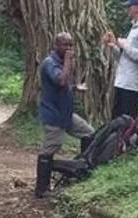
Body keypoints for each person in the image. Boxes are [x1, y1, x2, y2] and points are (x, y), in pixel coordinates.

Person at [34, 32, 94, 198]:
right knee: (51, 148)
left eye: (70, 45)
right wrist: (68, 61)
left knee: (88, 133)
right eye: (64, 45)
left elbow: (65, 83)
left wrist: (75, 87)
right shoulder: (49, 63)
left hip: (66, 114)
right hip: (54, 116)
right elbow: (60, 81)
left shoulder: (61, 62)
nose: (68, 48)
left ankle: (82, 169)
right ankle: (42, 188)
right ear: (56, 46)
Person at [101, 0, 138, 121]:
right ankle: (117, 141)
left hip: (133, 83)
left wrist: (124, 45)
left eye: (129, 7)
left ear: (137, 8)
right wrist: (113, 46)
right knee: (117, 118)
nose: (128, 10)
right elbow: (126, 58)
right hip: (124, 81)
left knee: (127, 121)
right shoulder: (135, 27)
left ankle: (130, 141)